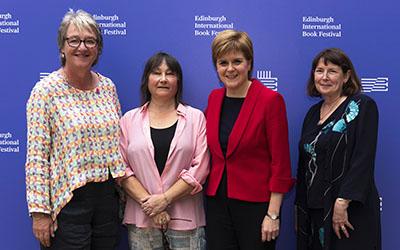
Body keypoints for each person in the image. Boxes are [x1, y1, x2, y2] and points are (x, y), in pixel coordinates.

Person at [25, 9, 126, 249]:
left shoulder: (108, 87)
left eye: (90, 41)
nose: (82, 47)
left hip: (107, 200)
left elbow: (120, 143)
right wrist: (40, 212)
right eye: (74, 40)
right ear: (62, 47)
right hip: (68, 200)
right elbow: (37, 157)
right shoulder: (45, 92)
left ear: (98, 49)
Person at [204, 29, 295, 250]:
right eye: (223, 62)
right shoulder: (214, 99)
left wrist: (272, 215)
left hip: (256, 207)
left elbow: (280, 164)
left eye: (237, 61)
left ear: (249, 63)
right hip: (217, 205)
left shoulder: (270, 100)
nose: (230, 69)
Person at [119, 52, 209, 250]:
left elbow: (200, 167)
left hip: (186, 220)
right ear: (146, 80)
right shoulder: (128, 120)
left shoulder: (195, 118)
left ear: (178, 81)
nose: (163, 79)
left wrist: (165, 200)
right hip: (142, 218)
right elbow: (121, 168)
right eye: (156, 73)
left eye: (170, 74)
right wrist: (151, 205)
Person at [295, 48, 381, 250]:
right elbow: (305, 163)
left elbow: (363, 158)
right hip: (315, 211)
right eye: (319, 71)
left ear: (346, 76)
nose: (324, 77)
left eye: (332, 71)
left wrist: (343, 202)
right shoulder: (312, 113)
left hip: (349, 211)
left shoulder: (362, 106)